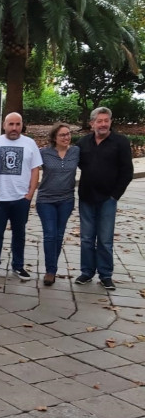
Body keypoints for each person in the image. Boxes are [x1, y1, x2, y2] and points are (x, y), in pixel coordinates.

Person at [76, 106, 133, 291]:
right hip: (86, 197)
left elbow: (127, 172)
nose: (103, 124)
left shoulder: (120, 142)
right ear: (92, 123)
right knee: (86, 238)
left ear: (110, 122)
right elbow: (75, 164)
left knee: (105, 239)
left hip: (108, 199)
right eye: (99, 121)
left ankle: (106, 275)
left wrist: (115, 195)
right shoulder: (83, 143)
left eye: (106, 121)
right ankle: (86, 272)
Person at [0, 112, 42, 280]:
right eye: (11, 124)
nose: (14, 128)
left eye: (18, 124)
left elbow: (35, 169)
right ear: (4, 125)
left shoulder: (30, 143)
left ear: (22, 125)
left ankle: (18, 266)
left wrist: (30, 194)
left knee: (19, 234)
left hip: (21, 199)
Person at [36, 122, 80, 286]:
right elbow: (30, 168)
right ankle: (50, 271)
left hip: (66, 200)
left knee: (59, 235)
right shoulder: (44, 153)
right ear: (54, 137)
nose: (66, 137)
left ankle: (52, 269)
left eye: (68, 134)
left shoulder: (76, 152)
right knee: (50, 234)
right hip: (46, 200)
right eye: (62, 135)